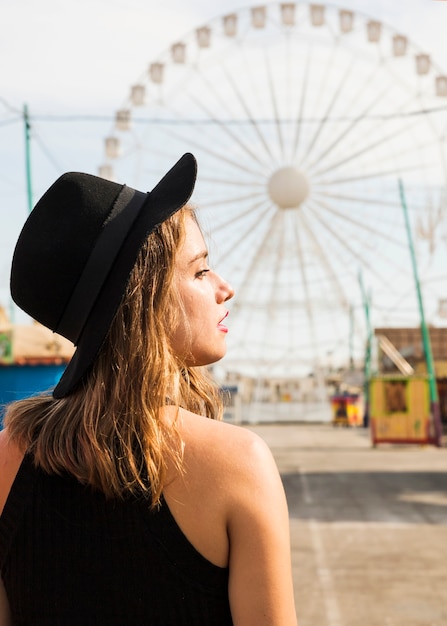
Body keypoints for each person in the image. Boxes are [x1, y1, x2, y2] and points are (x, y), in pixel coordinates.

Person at [0, 153, 297, 625]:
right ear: (145, 300)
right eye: (200, 271)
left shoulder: (11, 454)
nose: (225, 288)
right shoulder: (239, 462)